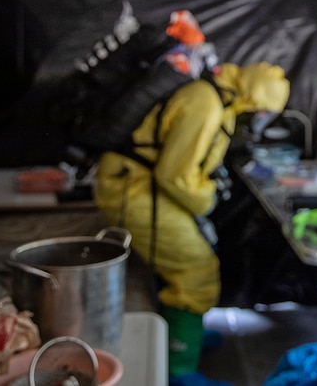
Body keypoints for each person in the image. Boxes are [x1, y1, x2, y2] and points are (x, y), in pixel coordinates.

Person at [95, 59, 291, 386]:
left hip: (144, 186)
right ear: (256, 99)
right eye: (264, 110)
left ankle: (188, 331)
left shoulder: (218, 99)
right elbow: (175, 177)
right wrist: (207, 198)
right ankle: (179, 369)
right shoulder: (206, 106)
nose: (262, 118)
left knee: (202, 255)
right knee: (194, 270)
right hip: (136, 190)